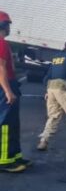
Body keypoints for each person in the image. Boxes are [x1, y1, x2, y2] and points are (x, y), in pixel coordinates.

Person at [0, 11, 29, 173]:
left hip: (8, 84)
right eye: (8, 24)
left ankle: (15, 155)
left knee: (13, 123)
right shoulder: (1, 43)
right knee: (5, 124)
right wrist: (8, 91)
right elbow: (0, 68)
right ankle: (4, 160)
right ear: (3, 25)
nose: (9, 27)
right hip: (5, 86)